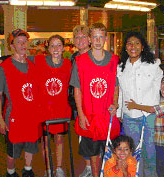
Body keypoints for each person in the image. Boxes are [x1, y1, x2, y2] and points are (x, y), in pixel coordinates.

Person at [117, 31, 164, 177]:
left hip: (150, 117)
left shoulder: (153, 65)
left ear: (142, 47)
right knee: (133, 155)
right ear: (125, 47)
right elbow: (121, 92)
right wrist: (119, 113)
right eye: (129, 43)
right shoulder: (121, 67)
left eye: (137, 43)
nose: (132, 46)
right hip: (130, 117)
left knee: (150, 155)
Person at [70, 23, 120, 177]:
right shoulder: (80, 61)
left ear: (105, 38)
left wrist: (115, 103)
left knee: (109, 151)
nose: (98, 40)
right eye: (95, 37)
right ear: (90, 39)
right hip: (89, 114)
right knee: (92, 151)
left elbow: (116, 85)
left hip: (106, 115)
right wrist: (81, 114)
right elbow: (77, 90)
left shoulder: (113, 60)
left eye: (101, 37)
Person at [0, 29, 42, 177]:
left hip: (32, 117)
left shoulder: (32, 65)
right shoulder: (4, 68)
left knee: (30, 146)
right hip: (14, 118)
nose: (22, 44)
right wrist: (0, 119)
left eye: (24, 41)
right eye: (18, 42)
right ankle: (11, 172)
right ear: (12, 45)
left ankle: (28, 169)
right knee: (13, 152)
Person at [125, 76, 164, 177]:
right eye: (163, 82)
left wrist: (135, 105)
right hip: (161, 143)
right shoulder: (163, 100)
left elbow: (152, 109)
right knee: (160, 169)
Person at [34, 35, 72, 177]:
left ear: (63, 48)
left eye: (58, 45)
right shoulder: (39, 60)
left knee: (59, 139)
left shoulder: (68, 64)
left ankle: (59, 167)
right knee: (45, 141)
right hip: (44, 110)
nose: (55, 48)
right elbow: (20, 59)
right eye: (52, 46)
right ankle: (48, 168)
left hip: (61, 109)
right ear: (48, 48)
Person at [69, 25, 92, 177]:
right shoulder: (74, 58)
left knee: (96, 136)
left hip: (95, 104)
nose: (80, 40)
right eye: (77, 37)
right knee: (83, 135)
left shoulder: (97, 56)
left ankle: (100, 166)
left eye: (83, 36)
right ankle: (89, 167)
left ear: (89, 39)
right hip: (79, 104)